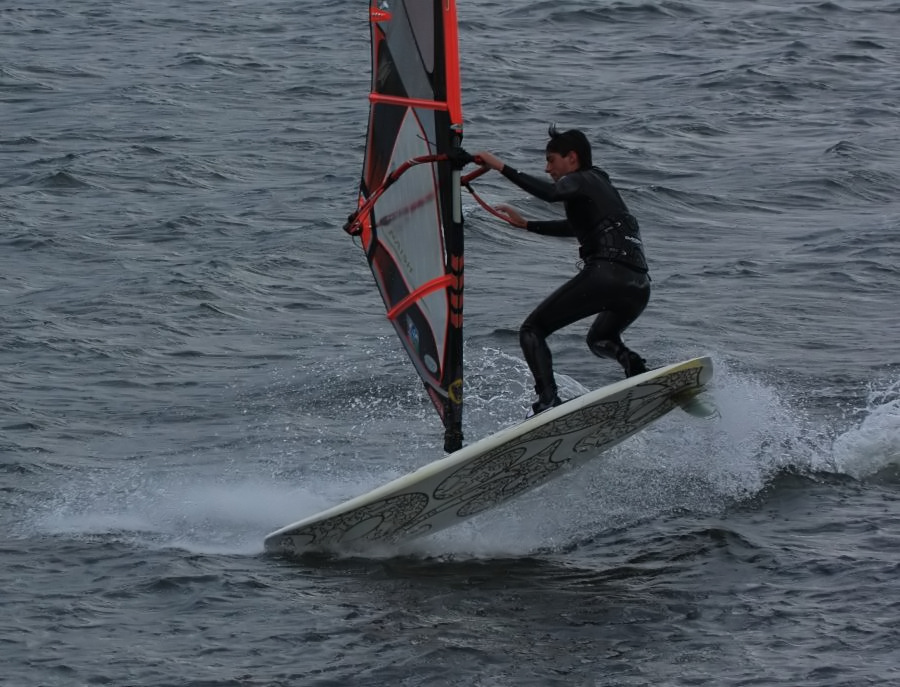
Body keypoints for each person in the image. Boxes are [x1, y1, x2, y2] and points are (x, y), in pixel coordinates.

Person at [474, 126, 651, 416]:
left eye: (551, 159)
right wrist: (527, 225)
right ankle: (633, 364)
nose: (547, 168)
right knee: (600, 340)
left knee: (532, 330)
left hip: (606, 275)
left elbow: (550, 194)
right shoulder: (600, 182)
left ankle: (547, 402)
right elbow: (575, 228)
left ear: (571, 157)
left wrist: (498, 165)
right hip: (638, 285)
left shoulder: (579, 179)